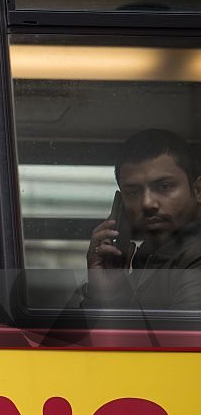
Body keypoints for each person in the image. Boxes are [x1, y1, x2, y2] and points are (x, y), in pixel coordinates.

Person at [84, 129, 201, 309]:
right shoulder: (147, 261)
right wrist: (105, 295)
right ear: (121, 203)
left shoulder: (194, 260)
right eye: (133, 192)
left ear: (197, 191)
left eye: (164, 186)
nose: (147, 203)